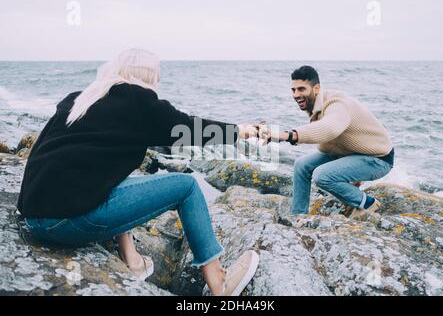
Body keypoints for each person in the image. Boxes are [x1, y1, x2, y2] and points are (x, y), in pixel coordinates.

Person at [17, 48, 260, 296]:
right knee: (187, 187)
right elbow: (190, 128)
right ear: (149, 77)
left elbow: (41, 150)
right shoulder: (140, 101)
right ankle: (220, 284)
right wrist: (238, 131)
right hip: (65, 223)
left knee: (114, 178)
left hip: (34, 217)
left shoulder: (79, 99)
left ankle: (132, 261)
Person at [258, 66, 394, 218]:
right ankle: (298, 216)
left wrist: (287, 135)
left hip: (378, 159)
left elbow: (330, 128)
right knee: (302, 165)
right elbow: (330, 140)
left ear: (316, 88)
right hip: (350, 154)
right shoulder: (316, 106)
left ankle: (367, 203)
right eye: (293, 90)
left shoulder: (337, 104)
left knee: (322, 175)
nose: (296, 95)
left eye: (301, 89)